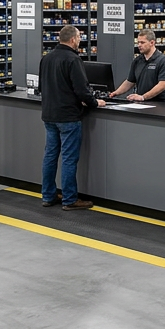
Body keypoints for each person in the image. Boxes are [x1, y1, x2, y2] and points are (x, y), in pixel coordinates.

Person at [40, 25, 104, 211]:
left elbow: (42, 88)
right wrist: (94, 103)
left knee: (50, 156)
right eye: (79, 38)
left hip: (49, 115)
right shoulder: (73, 60)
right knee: (69, 158)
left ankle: (48, 195)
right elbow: (82, 90)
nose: (80, 41)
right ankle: (69, 199)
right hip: (68, 116)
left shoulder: (46, 58)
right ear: (73, 39)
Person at [109, 29, 165, 103]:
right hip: (141, 103)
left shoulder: (163, 60)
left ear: (152, 43)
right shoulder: (137, 60)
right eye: (138, 42)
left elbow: (163, 85)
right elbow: (130, 81)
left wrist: (143, 97)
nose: (139, 45)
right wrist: (116, 93)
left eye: (142, 42)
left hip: (159, 104)